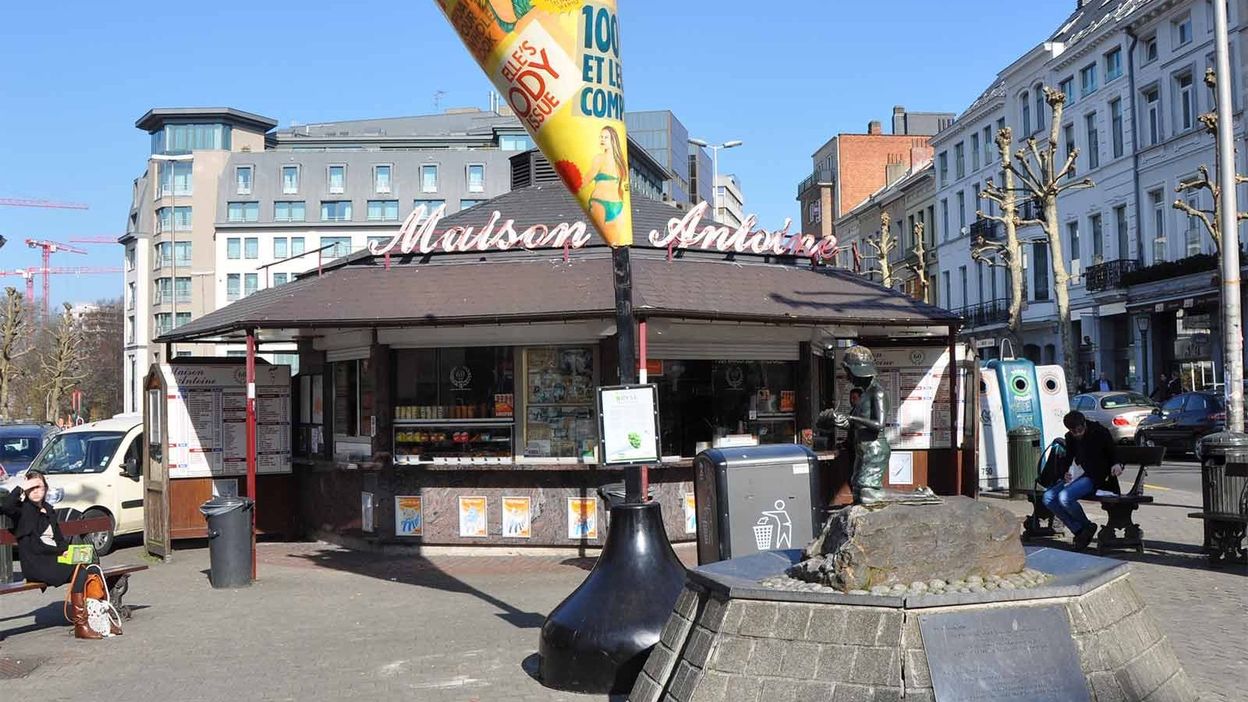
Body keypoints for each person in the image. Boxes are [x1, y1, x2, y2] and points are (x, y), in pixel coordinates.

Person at [0, 471, 110, 639]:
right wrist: (22, 487)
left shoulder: (49, 510)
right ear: (26, 490)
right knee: (79, 571)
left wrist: (67, 550)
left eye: (40, 487)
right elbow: (6, 507)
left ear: (46, 489)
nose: (36, 491)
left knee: (92, 568)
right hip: (36, 563)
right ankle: (81, 625)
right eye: (32, 488)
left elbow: (59, 539)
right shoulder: (22, 511)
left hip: (53, 558)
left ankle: (101, 621)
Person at [1041, 411, 1122, 550]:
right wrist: (1064, 473)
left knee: (1064, 497)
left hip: (1096, 477)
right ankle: (1081, 529)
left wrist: (1116, 463)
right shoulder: (1070, 438)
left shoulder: (1099, 432)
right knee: (1048, 497)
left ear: (1084, 424)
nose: (1078, 434)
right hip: (1078, 475)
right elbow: (1067, 458)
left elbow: (1112, 450)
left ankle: (1085, 528)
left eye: (1080, 430)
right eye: (1074, 431)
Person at [586, 126, 627, 242]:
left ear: (613, 140)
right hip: (599, 202)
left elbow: (623, 185)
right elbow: (587, 178)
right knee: (601, 238)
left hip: (617, 204)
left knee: (618, 242)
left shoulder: (620, 162)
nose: (602, 140)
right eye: (601, 137)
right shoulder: (599, 159)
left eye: (606, 137)